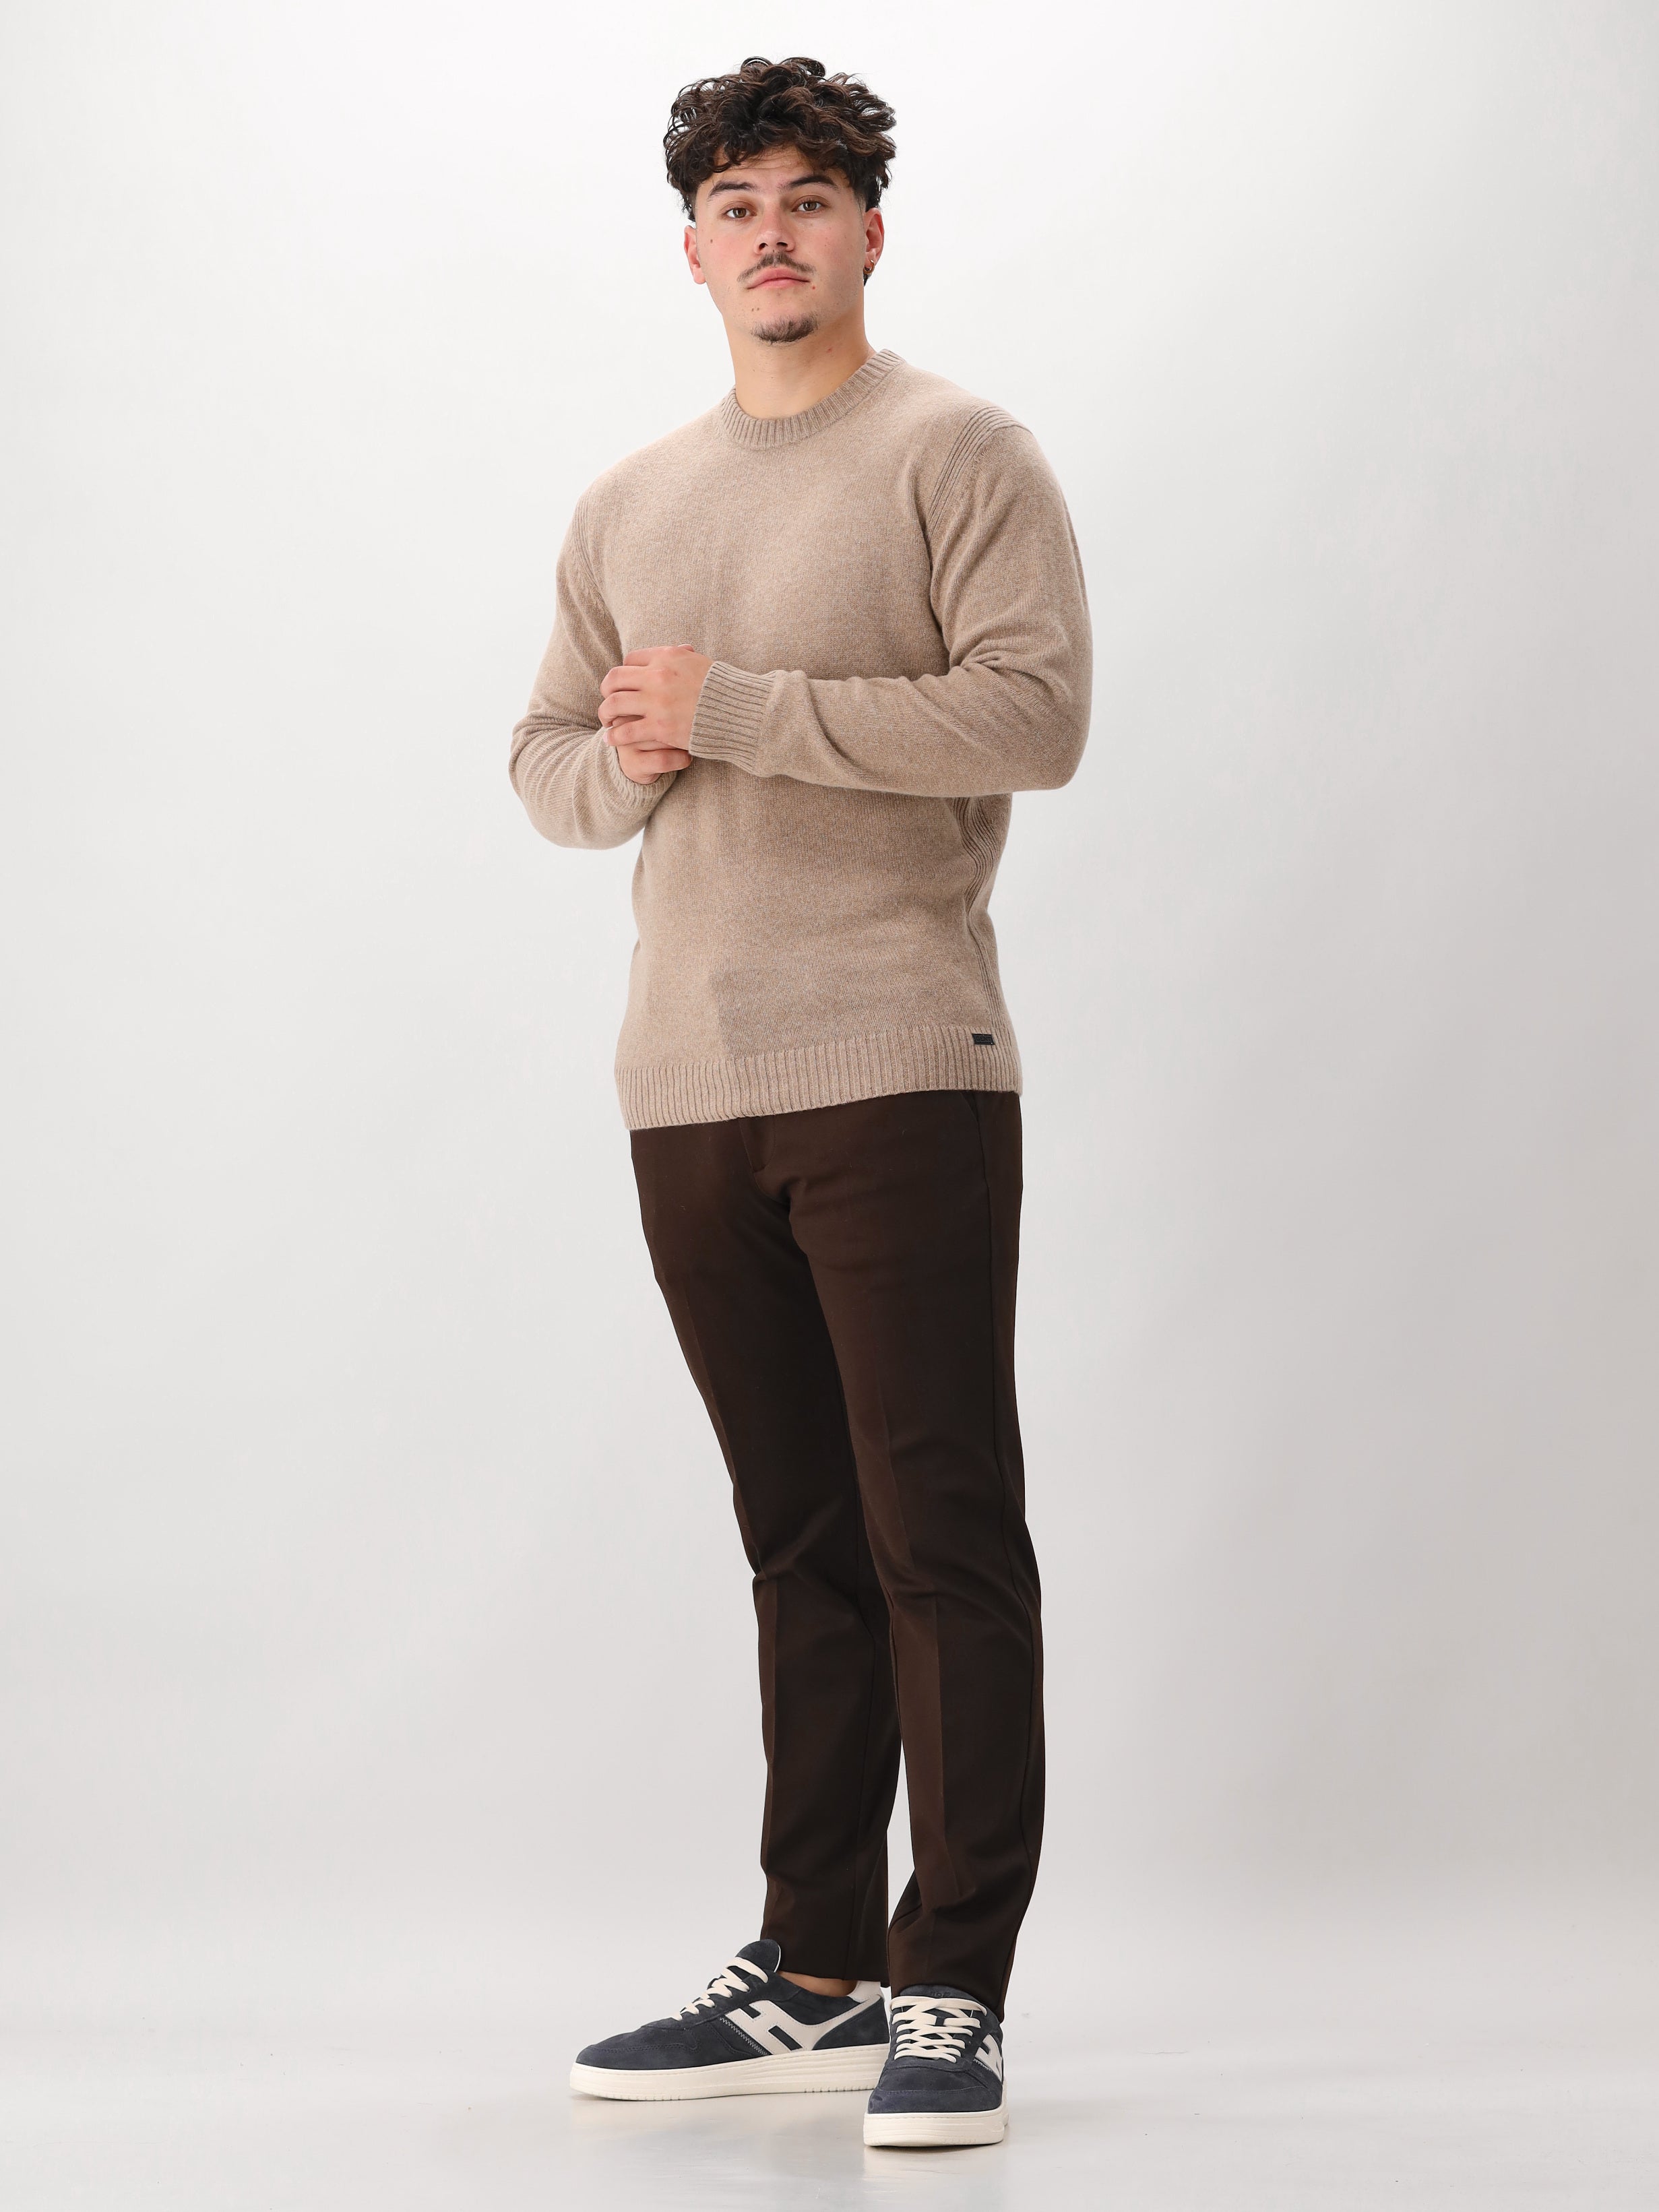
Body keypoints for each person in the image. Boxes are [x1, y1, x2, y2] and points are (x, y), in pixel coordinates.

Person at [509, 55, 1090, 2151]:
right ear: (694, 252)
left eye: (811, 199)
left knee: (942, 1535)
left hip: (902, 1063)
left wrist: (738, 705)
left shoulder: (959, 454)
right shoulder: (627, 505)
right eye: (738, 205)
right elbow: (548, 764)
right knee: (800, 1542)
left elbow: (1035, 715)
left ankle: (954, 1985)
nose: (774, 232)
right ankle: (816, 1968)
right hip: (688, 1081)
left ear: (869, 233)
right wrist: (636, 757)